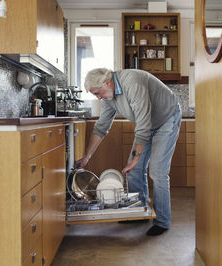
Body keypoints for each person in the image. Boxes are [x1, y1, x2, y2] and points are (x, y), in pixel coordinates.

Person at [75, 68, 181, 236]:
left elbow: (143, 124)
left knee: (158, 172)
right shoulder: (108, 97)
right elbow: (101, 127)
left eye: (97, 93)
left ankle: (162, 221)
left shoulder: (132, 82)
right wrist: (87, 157)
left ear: (106, 83)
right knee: (133, 171)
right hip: (148, 125)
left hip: (166, 118)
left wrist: (135, 158)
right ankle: (139, 213)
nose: (98, 97)